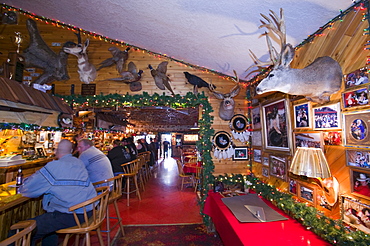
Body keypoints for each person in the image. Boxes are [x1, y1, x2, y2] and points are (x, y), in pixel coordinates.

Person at [18, 139, 97, 246]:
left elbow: (29, 190)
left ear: (56, 151)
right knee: (49, 225)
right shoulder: (78, 162)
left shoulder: (53, 166)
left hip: (72, 215)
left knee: (20, 231)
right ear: (72, 151)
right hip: (88, 211)